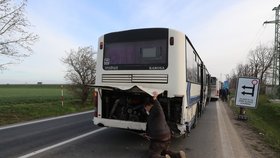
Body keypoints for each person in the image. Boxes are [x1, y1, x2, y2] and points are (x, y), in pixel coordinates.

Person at [142, 91, 186, 158]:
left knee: (152, 154)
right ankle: (178, 155)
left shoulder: (156, 110)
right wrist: (147, 135)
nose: (146, 110)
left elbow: (158, 106)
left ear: (149, 105)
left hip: (159, 138)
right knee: (163, 151)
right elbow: (149, 128)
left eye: (146, 108)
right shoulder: (152, 114)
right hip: (166, 137)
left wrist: (155, 99)